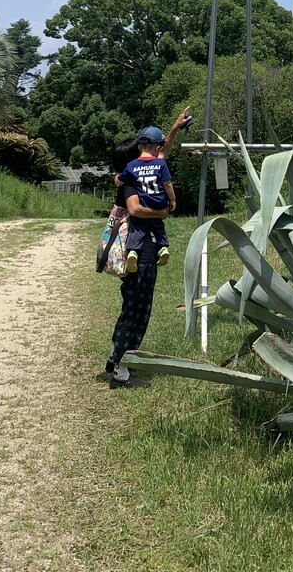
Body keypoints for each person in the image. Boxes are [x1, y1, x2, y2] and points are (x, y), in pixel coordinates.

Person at [106, 109, 191, 389]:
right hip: (139, 250)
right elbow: (136, 210)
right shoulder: (131, 184)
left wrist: (175, 127)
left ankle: (116, 360)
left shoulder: (140, 173)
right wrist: (163, 214)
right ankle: (121, 366)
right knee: (135, 308)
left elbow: (161, 151)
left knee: (138, 305)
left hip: (143, 250)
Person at [114, 124, 177, 273]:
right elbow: (167, 184)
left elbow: (118, 181)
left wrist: (117, 177)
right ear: (156, 148)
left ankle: (132, 252)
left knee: (137, 231)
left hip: (144, 206)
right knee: (159, 230)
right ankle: (163, 249)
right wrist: (172, 201)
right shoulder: (160, 164)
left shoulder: (131, 166)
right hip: (158, 205)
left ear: (139, 147)